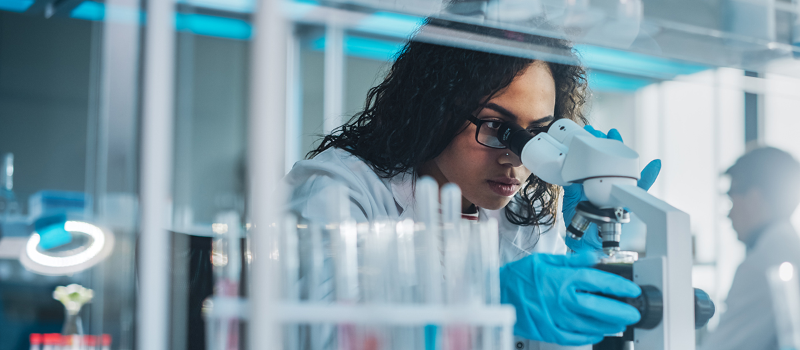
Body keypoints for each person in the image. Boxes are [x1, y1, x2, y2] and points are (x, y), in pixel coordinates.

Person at [285, 19, 659, 349]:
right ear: (434, 109)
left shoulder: (525, 218)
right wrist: (490, 299)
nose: (515, 157)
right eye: (499, 128)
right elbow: (320, 336)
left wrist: (582, 263)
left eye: (538, 134)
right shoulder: (342, 189)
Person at [699, 146, 800, 350]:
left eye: (731, 198)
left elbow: (721, 347)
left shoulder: (764, 263)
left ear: (754, 199)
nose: (728, 214)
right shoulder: (789, 248)